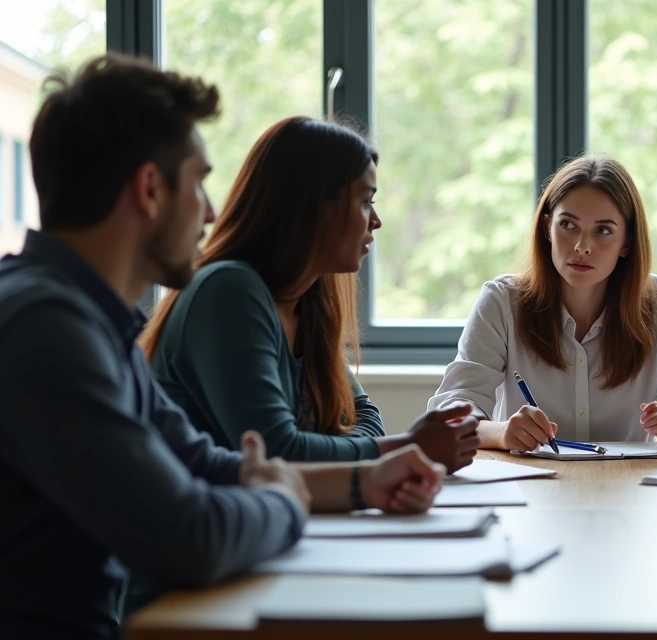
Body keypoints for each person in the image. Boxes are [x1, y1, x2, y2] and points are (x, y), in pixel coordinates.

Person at [0, 54, 468, 639]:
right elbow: (192, 536)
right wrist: (286, 498)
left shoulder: (85, 319)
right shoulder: (46, 331)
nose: (212, 211)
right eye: (197, 182)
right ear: (149, 189)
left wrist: (360, 483)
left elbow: (199, 462)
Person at [139, 116, 478, 472]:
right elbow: (277, 452)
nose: (375, 220)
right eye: (365, 201)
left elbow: (364, 415)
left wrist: (377, 450)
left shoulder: (309, 303)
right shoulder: (228, 291)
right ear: (315, 207)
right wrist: (405, 448)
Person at [429, 155, 657, 450]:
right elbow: (448, 416)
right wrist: (503, 433)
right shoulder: (502, 301)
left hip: (631, 490)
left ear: (626, 243)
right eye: (568, 225)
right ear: (548, 228)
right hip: (530, 488)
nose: (581, 246)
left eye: (603, 231)